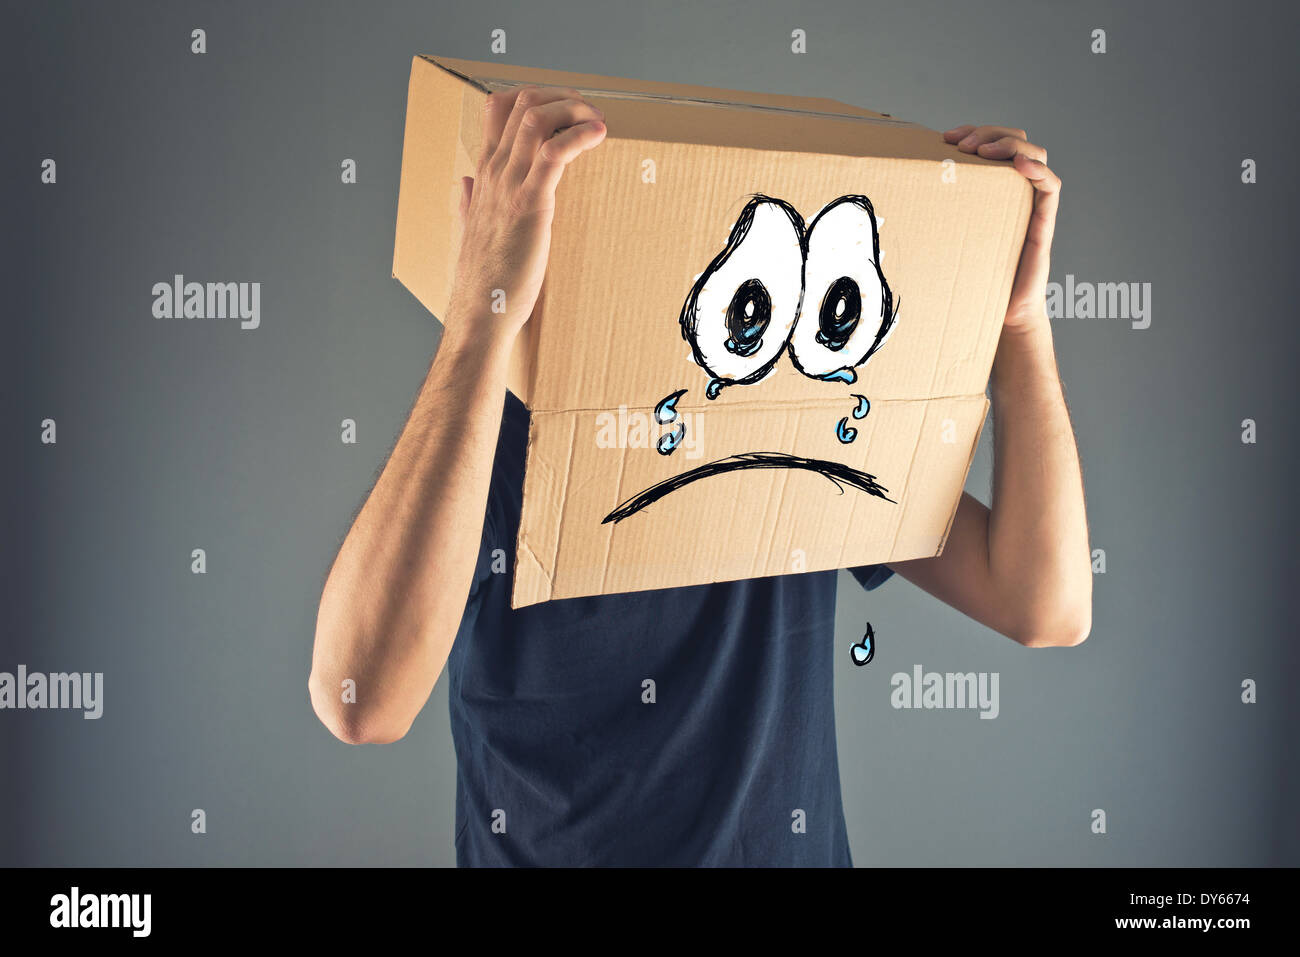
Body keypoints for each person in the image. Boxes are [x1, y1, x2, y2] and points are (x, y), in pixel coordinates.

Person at [307, 86, 1092, 866]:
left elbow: (1041, 602)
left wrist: (1020, 328)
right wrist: (481, 309)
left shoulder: (805, 418)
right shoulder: (508, 428)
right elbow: (359, 699)